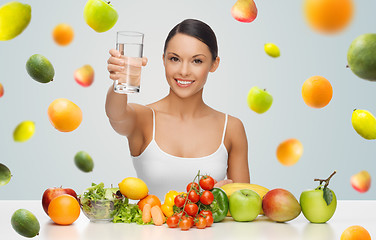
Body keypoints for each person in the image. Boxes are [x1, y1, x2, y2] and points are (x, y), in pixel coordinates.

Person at [106, 19, 250, 200]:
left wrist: (214, 199)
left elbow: (244, 205)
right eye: (174, 59)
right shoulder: (144, 118)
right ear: (164, 60)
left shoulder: (232, 128)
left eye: (197, 61)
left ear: (214, 64)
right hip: (150, 228)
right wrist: (119, 80)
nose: (184, 71)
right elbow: (115, 114)